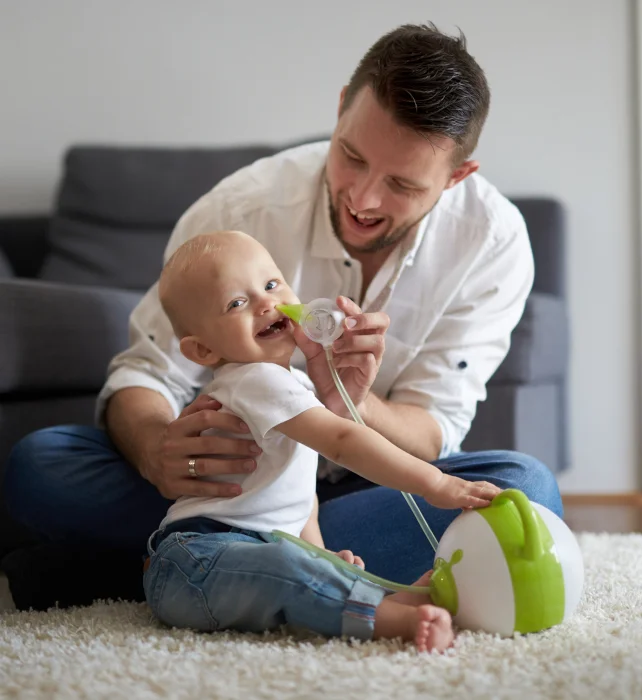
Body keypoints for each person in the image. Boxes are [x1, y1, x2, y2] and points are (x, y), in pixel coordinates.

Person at [3, 22, 562, 610]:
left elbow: (432, 432)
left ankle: (188, 567)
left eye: (400, 183)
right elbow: (148, 371)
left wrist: (351, 401)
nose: (363, 200)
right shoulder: (238, 210)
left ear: (455, 177)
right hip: (223, 487)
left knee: (526, 489)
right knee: (41, 465)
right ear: (342, 107)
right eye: (350, 156)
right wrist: (158, 452)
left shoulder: (491, 244)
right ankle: (273, 567)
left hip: (372, 474)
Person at [145, 229, 501, 651]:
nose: (266, 303)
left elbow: (299, 498)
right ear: (203, 351)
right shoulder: (254, 379)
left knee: (306, 566)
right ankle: (388, 617)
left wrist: (320, 553)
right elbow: (342, 441)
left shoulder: (290, 383)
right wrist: (437, 484)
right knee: (285, 566)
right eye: (237, 303)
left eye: (272, 284)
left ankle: (379, 597)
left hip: (246, 555)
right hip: (197, 560)